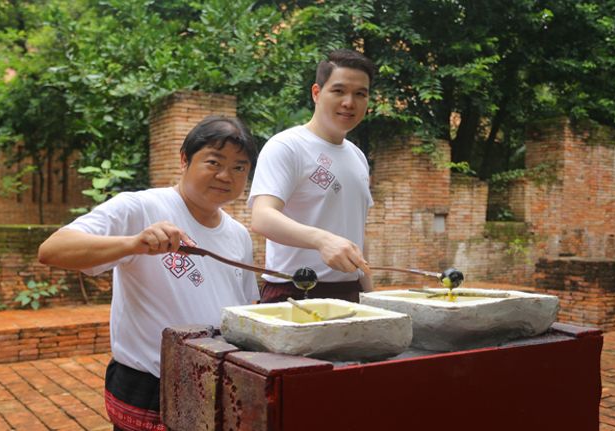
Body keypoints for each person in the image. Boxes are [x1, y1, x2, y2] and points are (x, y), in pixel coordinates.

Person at [37, 116, 259, 431]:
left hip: (217, 381)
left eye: (239, 167)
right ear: (184, 159)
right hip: (150, 385)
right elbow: (53, 249)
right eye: (214, 162)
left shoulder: (238, 234)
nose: (226, 176)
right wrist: (133, 244)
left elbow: (245, 307)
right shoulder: (140, 207)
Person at [249, 49, 376, 303]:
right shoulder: (287, 146)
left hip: (350, 292)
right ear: (316, 93)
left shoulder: (358, 157)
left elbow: (356, 234)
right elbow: (262, 217)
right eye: (338, 91)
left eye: (360, 94)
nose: (349, 102)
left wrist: (371, 295)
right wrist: (321, 240)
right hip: (294, 293)